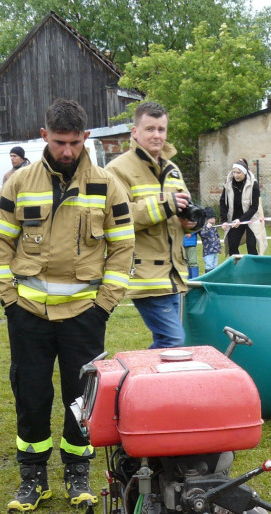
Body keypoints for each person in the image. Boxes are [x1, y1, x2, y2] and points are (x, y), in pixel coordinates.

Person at [0, 98, 133, 512]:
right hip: (28, 314)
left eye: (73, 142)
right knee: (30, 395)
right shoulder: (18, 182)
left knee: (82, 397)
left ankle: (77, 473)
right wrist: (9, 300)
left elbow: (123, 250)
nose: (66, 151)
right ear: (43, 137)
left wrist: (104, 305)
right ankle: (32, 478)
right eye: (58, 142)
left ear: (85, 137)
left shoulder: (108, 185)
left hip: (85, 315)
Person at [107, 101, 193, 348]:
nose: (157, 135)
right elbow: (118, 219)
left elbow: (178, 217)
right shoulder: (116, 170)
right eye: (150, 129)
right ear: (135, 132)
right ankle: (134, 381)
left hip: (174, 274)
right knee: (173, 341)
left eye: (161, 129)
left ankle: (154, 384)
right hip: (144, 275)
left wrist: (190, 221)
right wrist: (166, 205)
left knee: (167, 340)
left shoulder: (172, 168)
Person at [219, 158, 267, 255]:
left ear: (245, 173)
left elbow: (254, 206)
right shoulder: (228, 184)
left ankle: (255, 269)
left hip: (251, 218)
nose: (235, 175)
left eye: (238, 173)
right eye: (234, 172)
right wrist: (224, 220)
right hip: (234, 218)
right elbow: (223, 203)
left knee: (251, 246)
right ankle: (238, 267)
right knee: (232, 245)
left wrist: (241, 220)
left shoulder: (253, 184)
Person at [199, 208, 221, 273]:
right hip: (208, 251)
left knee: (215, 265)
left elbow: (217, 238)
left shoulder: (214, 228)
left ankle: (214, 279)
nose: (214, 219)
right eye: (213, 218)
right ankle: (208, 277)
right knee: (209, 265)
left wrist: (219, 247)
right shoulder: (204, 227)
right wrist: (207, 228)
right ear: (208, 219)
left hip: (215, 250)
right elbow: (202, 235)